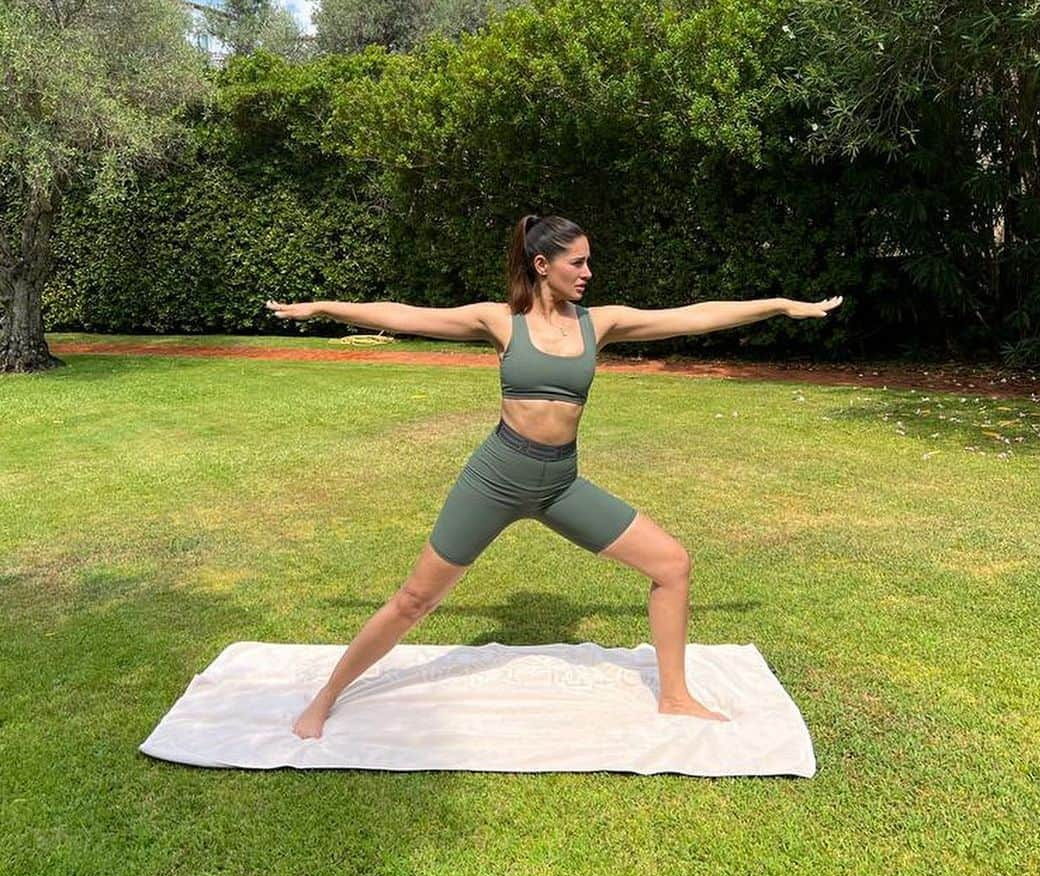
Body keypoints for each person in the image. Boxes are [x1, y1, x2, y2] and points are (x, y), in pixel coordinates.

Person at [265, 213, 842, 738]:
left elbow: (691, 318)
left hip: (560, 485)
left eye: (589, 261)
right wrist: (325, 308)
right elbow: (407, 316)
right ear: (543, 266)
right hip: (496, 479)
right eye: (578, 262)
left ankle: (675, 695)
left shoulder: (601, 323)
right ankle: (325, 697)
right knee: (415, 599)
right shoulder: (500, 320)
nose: (588, 272)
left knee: (672, 564)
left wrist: (776, 304)